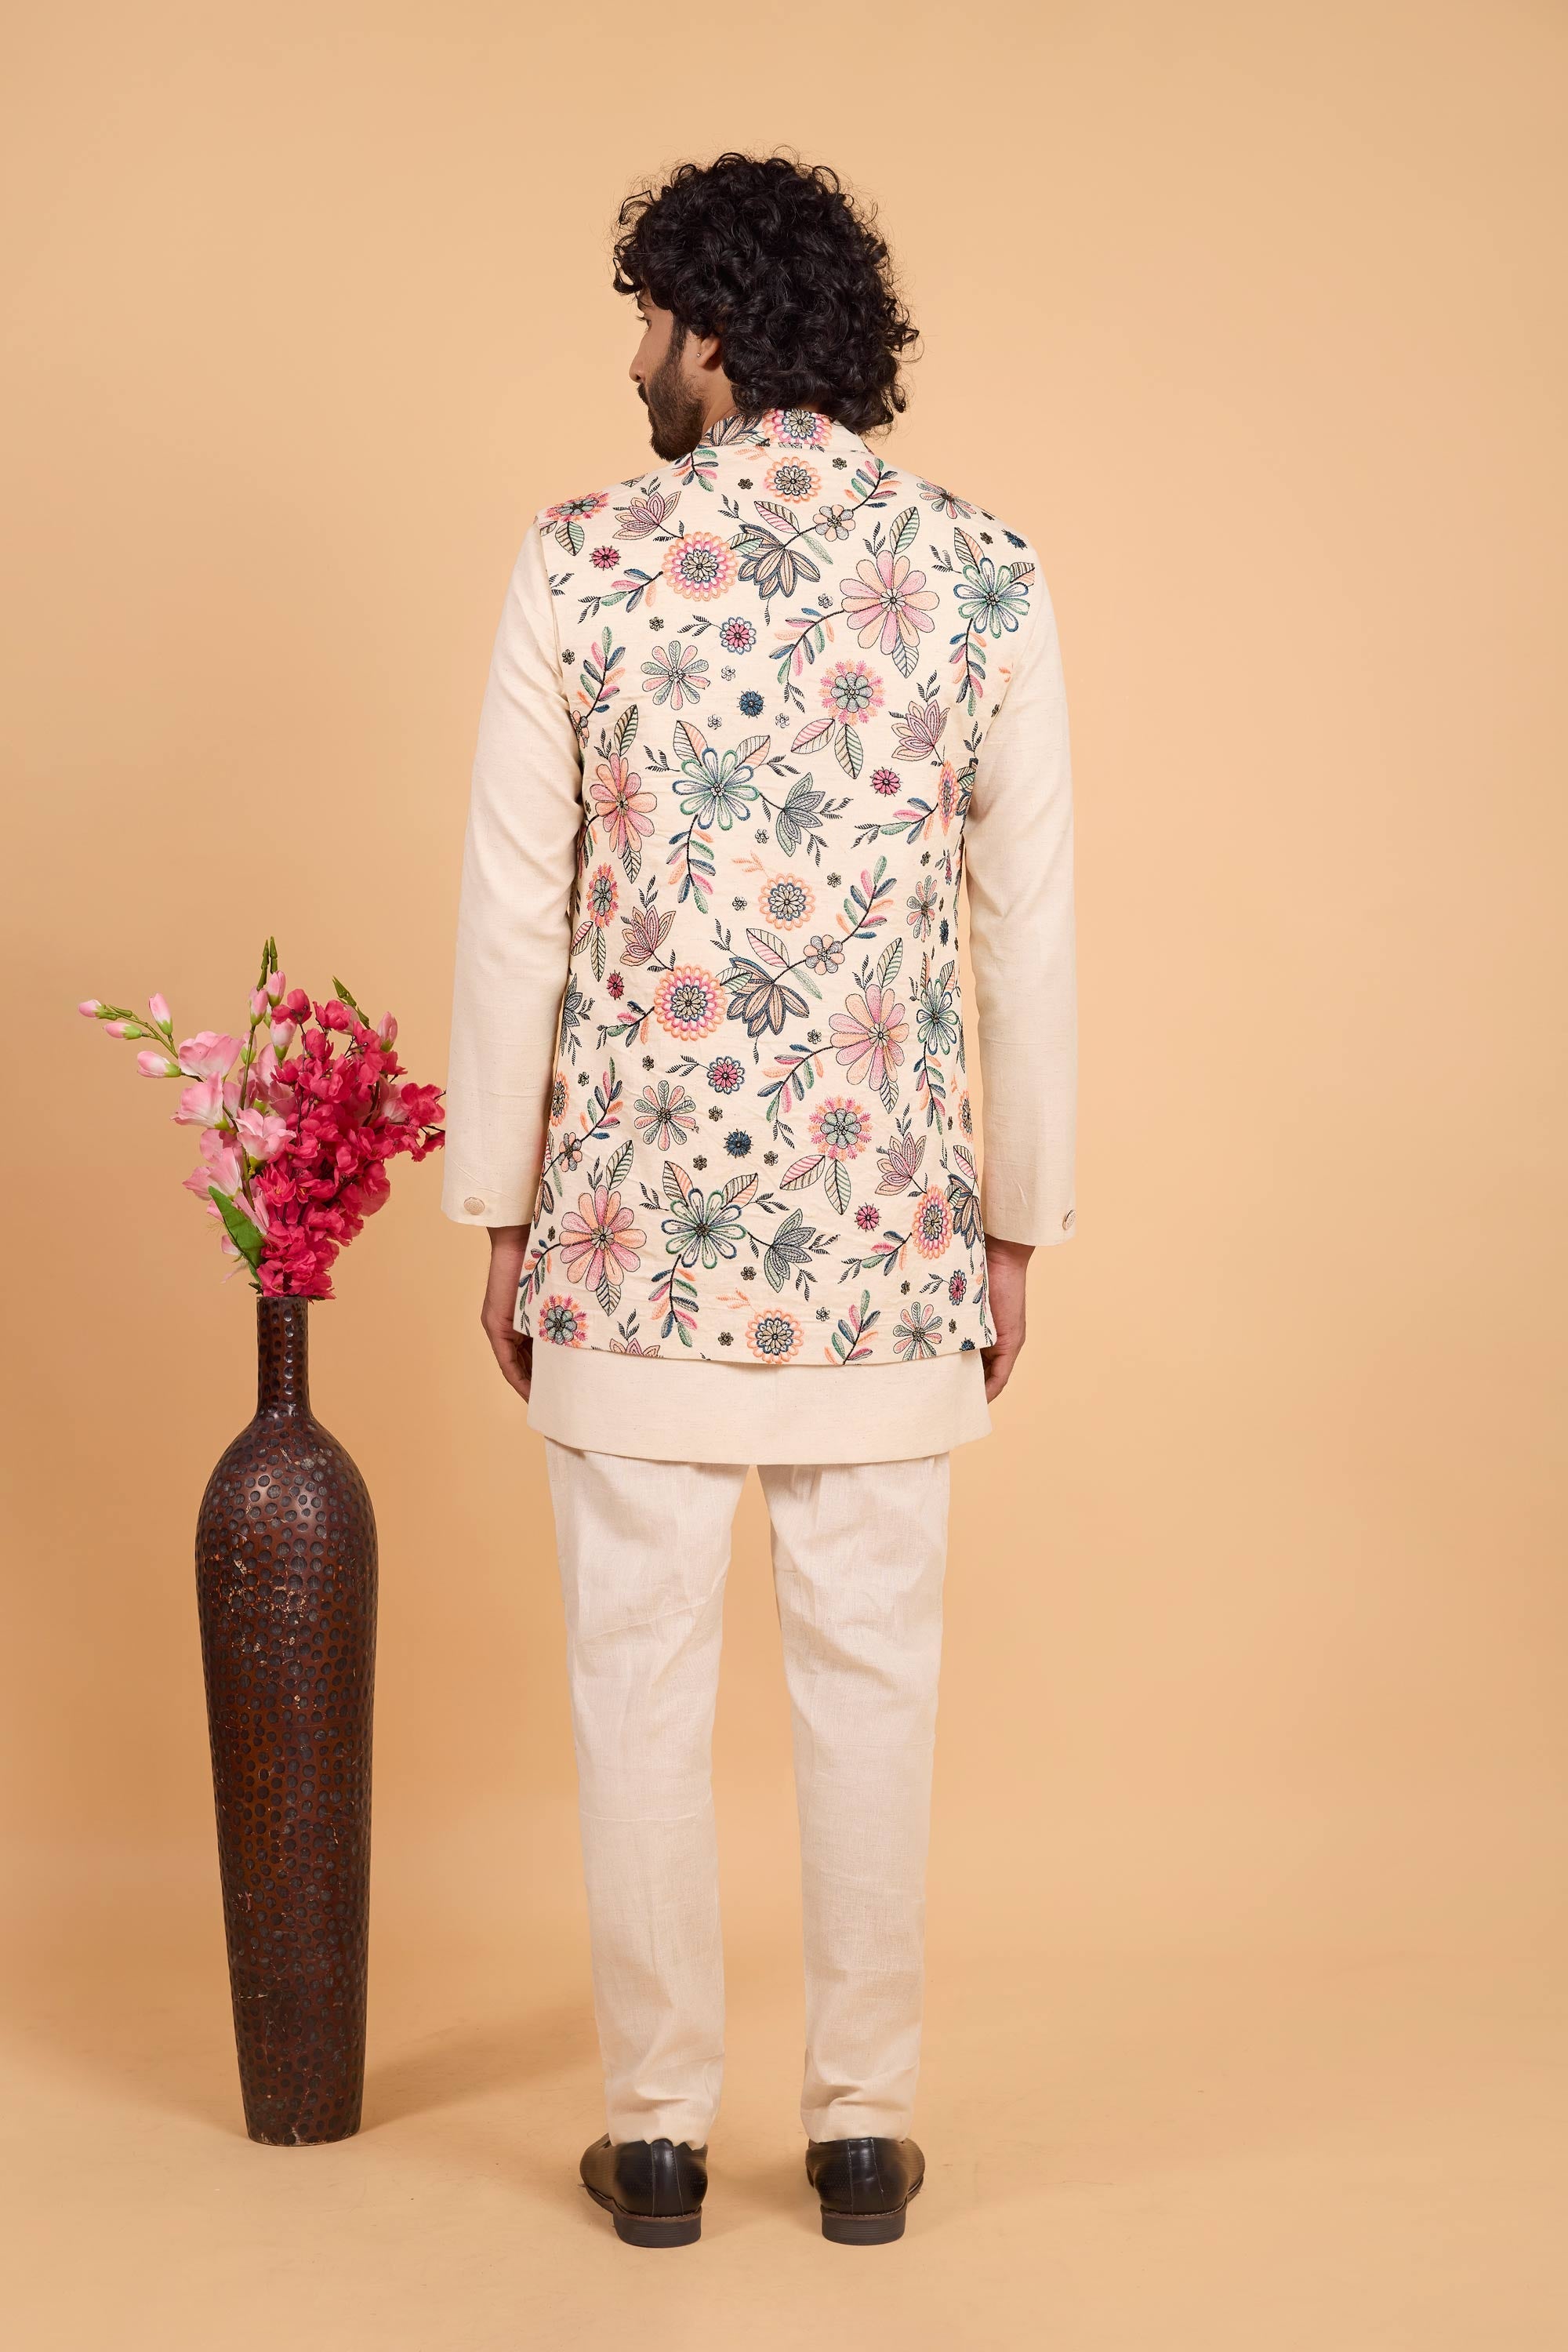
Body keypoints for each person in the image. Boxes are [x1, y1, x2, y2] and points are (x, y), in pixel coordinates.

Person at [441, 151, 1076, 2249]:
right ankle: (865, 2131)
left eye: (649, 317)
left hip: (631, 1230)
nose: (638, 355)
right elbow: (1026, 932)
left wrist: (500, 1208)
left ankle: (654, 2140)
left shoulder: (581, 560)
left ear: (712, 327)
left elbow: (517, 911)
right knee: (873, 1679)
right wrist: (1016, 1221)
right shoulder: (979, 570)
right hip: (888, 1235)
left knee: (631, 1680)